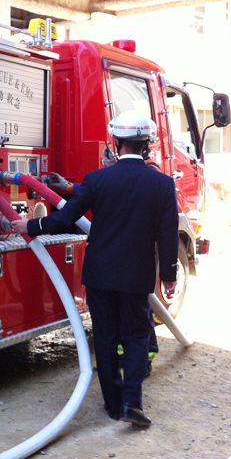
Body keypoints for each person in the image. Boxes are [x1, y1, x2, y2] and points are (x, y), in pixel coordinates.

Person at [11, 110, 178, 426]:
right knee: (137, 336)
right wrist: (169, 276)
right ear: (147, 144)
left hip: (100, 274)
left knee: (105, 336)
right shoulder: (163, 184)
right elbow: (168, 234)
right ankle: (131, 403)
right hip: (138, 276)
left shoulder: (97, 179)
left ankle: (112, 406)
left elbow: (65, 217)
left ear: (116, 142)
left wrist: (30, 225)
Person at [45, 119, 163, 377]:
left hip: (133, 253)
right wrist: (69, 187)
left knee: (135, 315)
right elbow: (113, 186)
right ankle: (125, 361)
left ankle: (140, 360)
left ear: (119, 143)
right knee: (129, 312)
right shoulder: (145, 173)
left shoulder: (151, 171)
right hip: (131, 257)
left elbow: (124, 187)